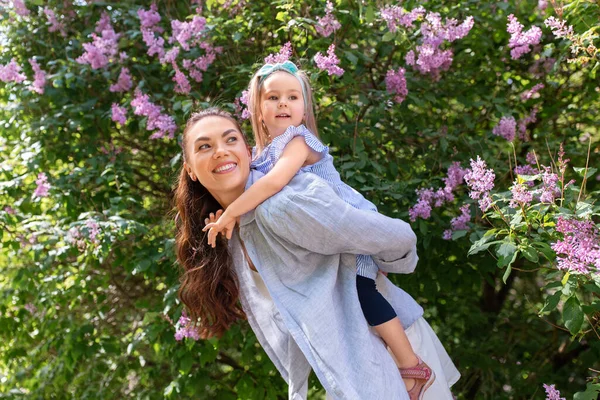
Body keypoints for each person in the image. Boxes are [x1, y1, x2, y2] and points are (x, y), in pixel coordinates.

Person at [174, 107, 460, 399]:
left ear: (248, 151)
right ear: (191, 170)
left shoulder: (281, 205)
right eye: (205, 146)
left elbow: (396, 237)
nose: (220, 151)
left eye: (230, 139)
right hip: (350, 370)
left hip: (393, 357)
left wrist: (379, 264)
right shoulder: (233, 232)